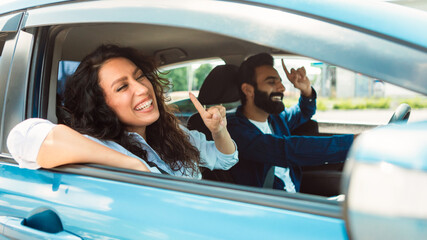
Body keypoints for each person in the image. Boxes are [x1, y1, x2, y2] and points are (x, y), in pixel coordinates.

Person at [7, 44, 237, 179]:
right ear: (100, 104)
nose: (142, 88)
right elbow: (22, 137)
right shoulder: (97, 147)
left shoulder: (175, 134)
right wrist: (134, 165)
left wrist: (218, 131)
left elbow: (225, 160)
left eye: (139, 77)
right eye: (122, 86)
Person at [227, 53, 354, 192]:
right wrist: (355, 144)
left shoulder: (276, 119)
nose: (282, 88)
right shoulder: (234, 131)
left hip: (294, 195)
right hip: (269, 205)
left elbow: (304, 112)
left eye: (280, 81)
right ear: (248, 90)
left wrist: (306, 90)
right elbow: (288, 149)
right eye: (271, 82)